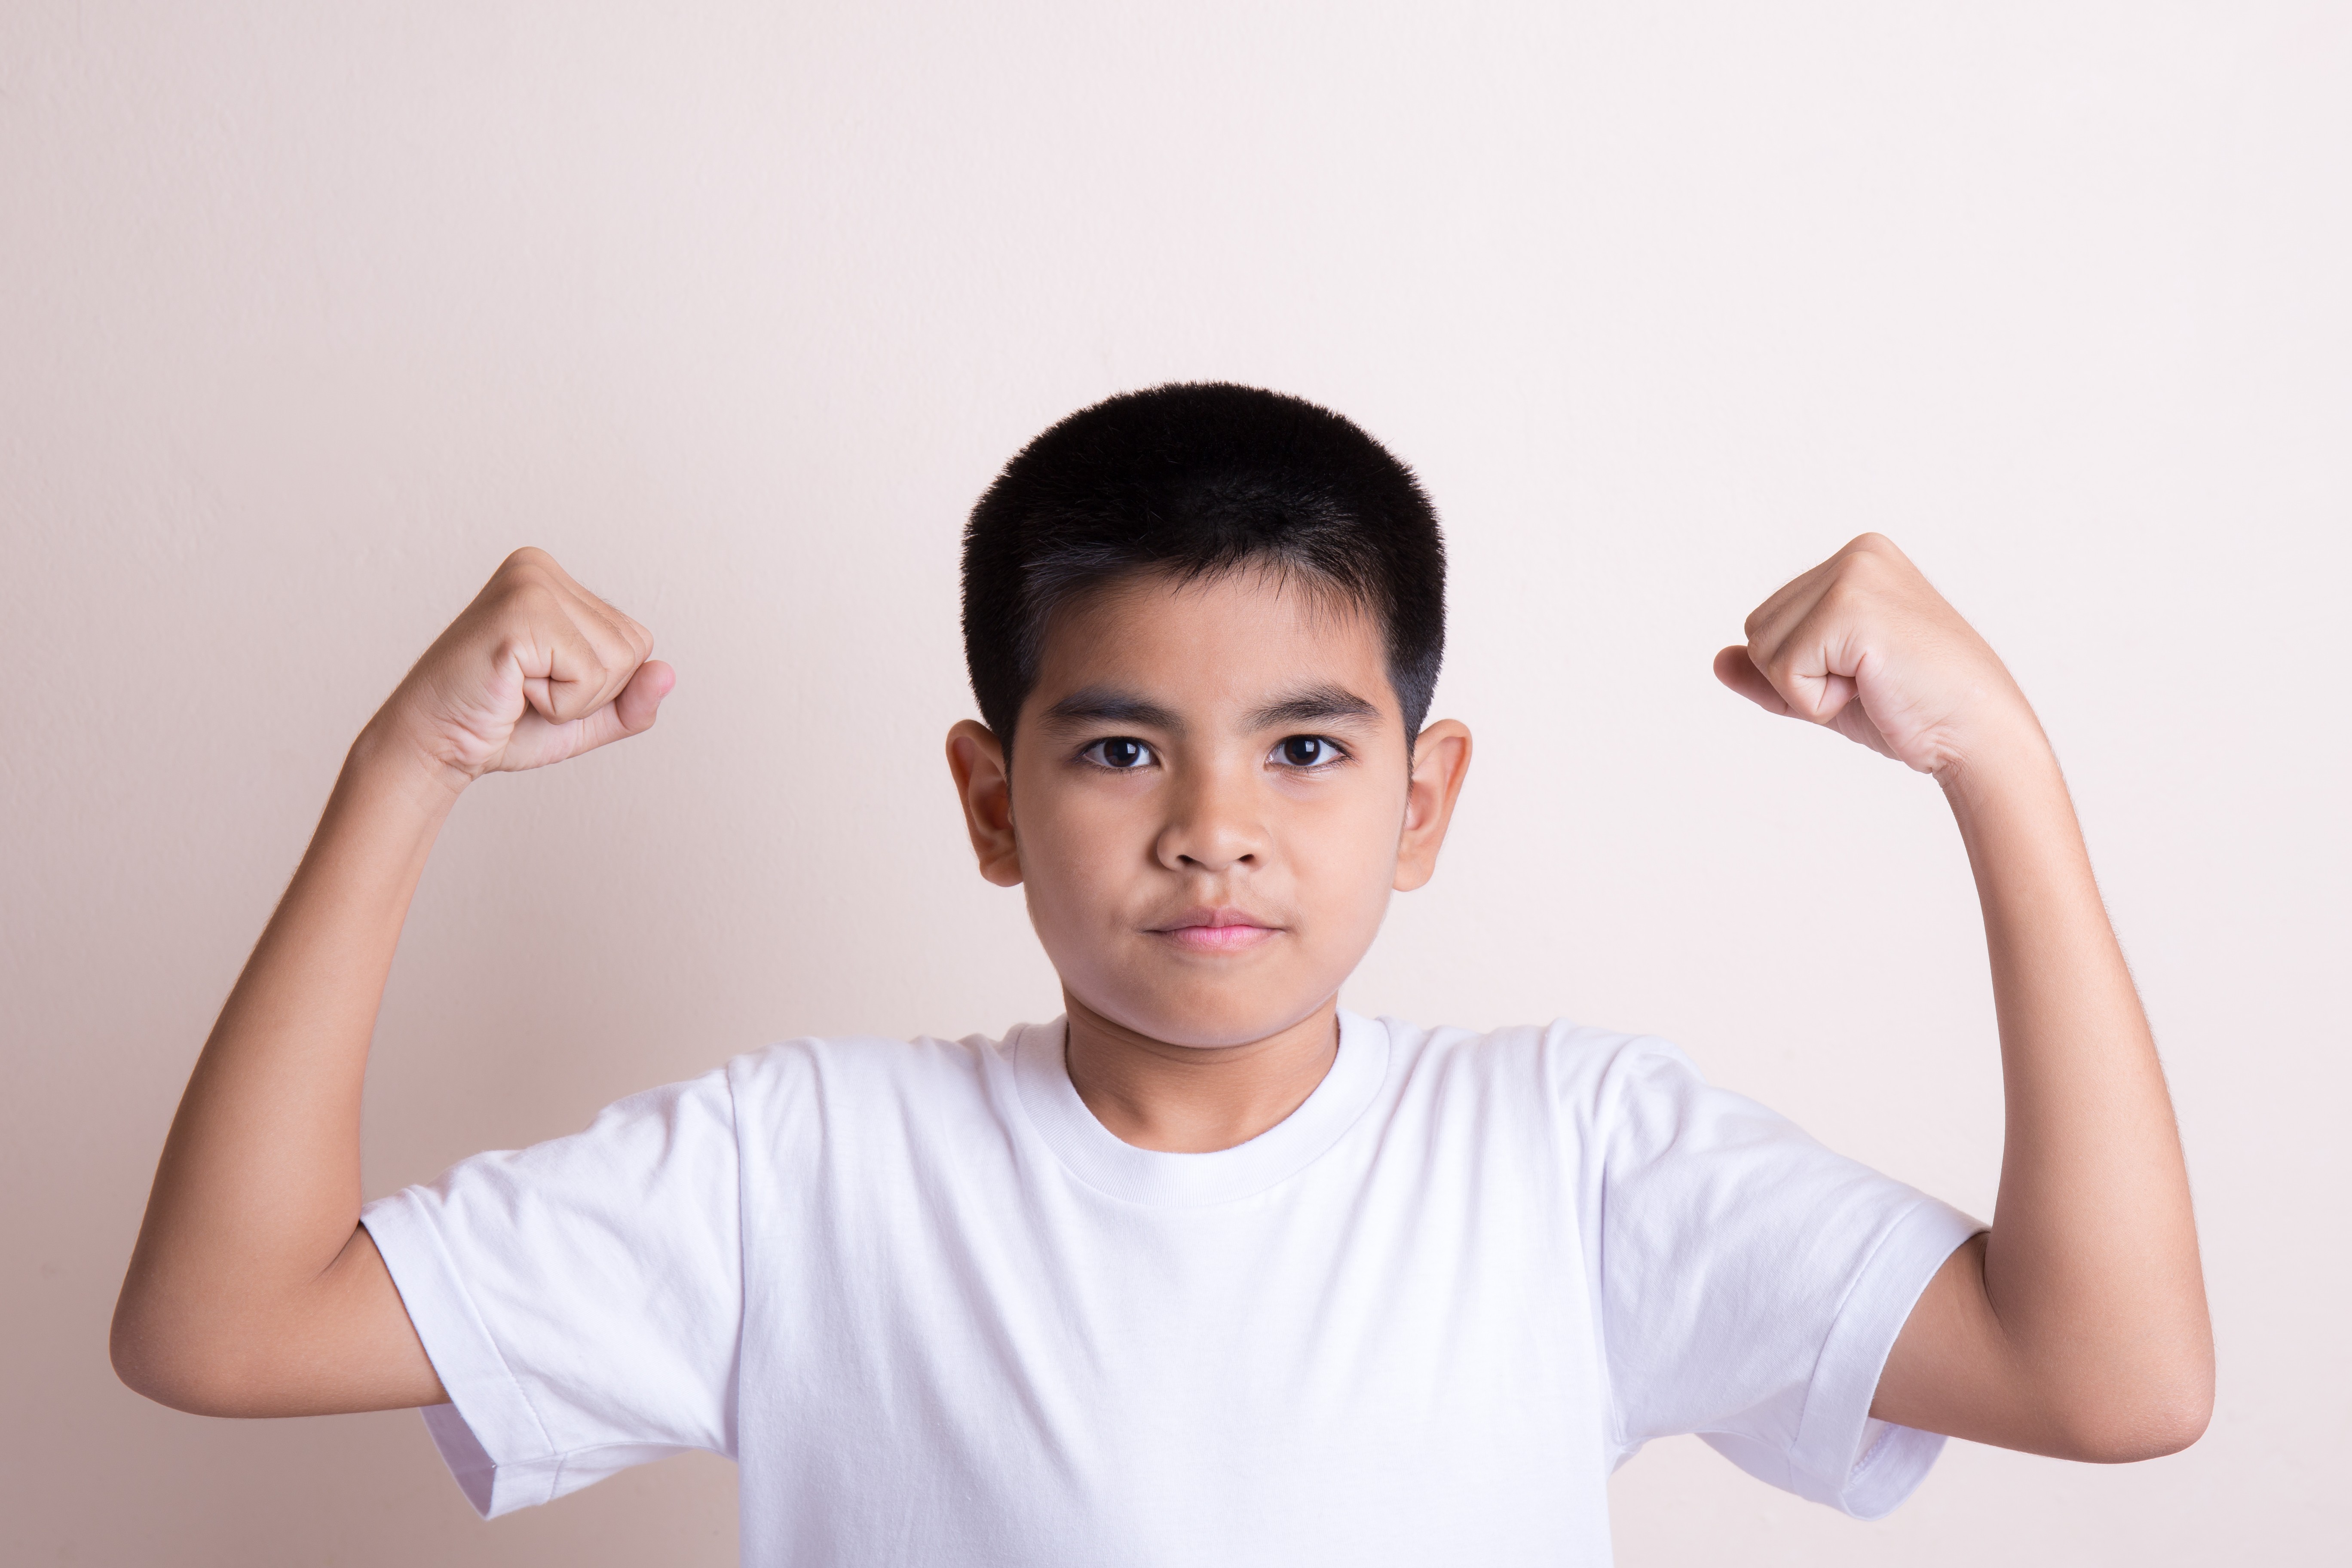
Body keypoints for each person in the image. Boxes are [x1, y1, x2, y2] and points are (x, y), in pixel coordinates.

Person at [110, 383, 2211, 1564]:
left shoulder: (1567, 1160)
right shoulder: (814, 1168)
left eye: (1307, 748)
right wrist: (411, 767)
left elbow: (2113, 1383)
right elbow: (217, 1328)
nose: (1216, 822)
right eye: (1121, 746)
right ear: (992, 799)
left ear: (1424, 795)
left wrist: (1998, 764)